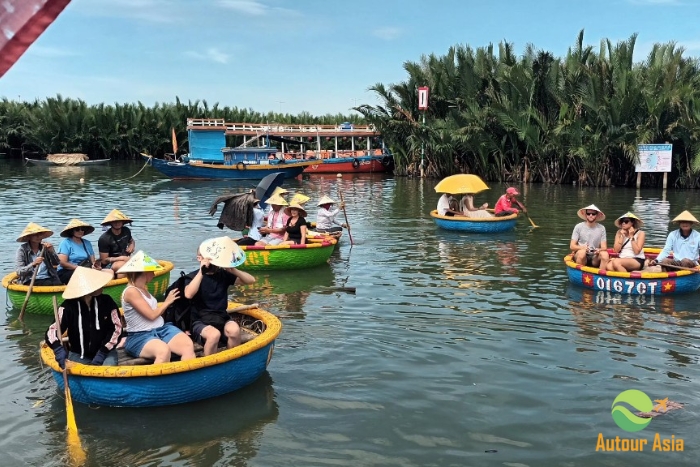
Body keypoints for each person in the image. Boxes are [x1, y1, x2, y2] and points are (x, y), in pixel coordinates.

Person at [118, 251, 195, 363]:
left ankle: (186, 379)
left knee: (187, 345)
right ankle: (160, 380)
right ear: (144, 272)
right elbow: (152, 315)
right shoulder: (131, 291)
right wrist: (167, 302)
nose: (154, 275)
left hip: (161, 329)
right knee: (163, 351)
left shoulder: (144, 288)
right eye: (152, 271)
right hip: (140, 336)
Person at [185, 237, 255, 356]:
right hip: (199, 320)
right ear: (199, 258)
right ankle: (209, 365)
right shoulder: (193, 277)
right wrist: (202, 272)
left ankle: (232, 360)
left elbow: (251, 280)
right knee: (214, 335)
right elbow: (188, 294)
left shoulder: (223, 275)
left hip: (221, 317)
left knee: (234, 331)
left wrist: (233, 270)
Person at [45, 267, 122, 368]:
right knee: (73, 368)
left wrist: (103, 352)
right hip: (78, 354)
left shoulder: (107, 301)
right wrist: (58, 349)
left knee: (108, 370)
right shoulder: (68, 306)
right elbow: (52, 331)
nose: (101, 286)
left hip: (105, 352)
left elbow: (117, 329)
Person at [56, 218, 100, 284]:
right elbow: (63, 263)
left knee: (108, 272)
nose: (80, 231)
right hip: (66, 271)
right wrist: (79, 268)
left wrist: (95, 266)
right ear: (72, 231)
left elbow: (93, 261)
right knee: (85, 275)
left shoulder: (87, 243)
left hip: (85, 269)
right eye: (77, 229)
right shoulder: (66, 243)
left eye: (82, 229)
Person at [570, 204, 609, 269]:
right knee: (582, 253)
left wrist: (599, 250)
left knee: (605, 255)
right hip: (581, 254)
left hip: (594, 256)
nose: (591, 215)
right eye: (588, 213)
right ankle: (580, 275)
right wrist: (582, 247)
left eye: (593, 214)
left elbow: (604, 247)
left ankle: (600, 276)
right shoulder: (578, 227)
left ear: (597, 215)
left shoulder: (602, 228)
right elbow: (572, 246)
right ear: (585, 215)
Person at [98, 209, 135, 273]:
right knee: (121, 265)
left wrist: (131, 245)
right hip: (110, 264)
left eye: (119, 221)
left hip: (125, 258)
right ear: (110, 223)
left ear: (122, 222)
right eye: (114, 221)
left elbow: (131, 240)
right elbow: (104, 260)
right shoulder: (104, 238)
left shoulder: (126, 230)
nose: (117, 223)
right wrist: (121, 258)